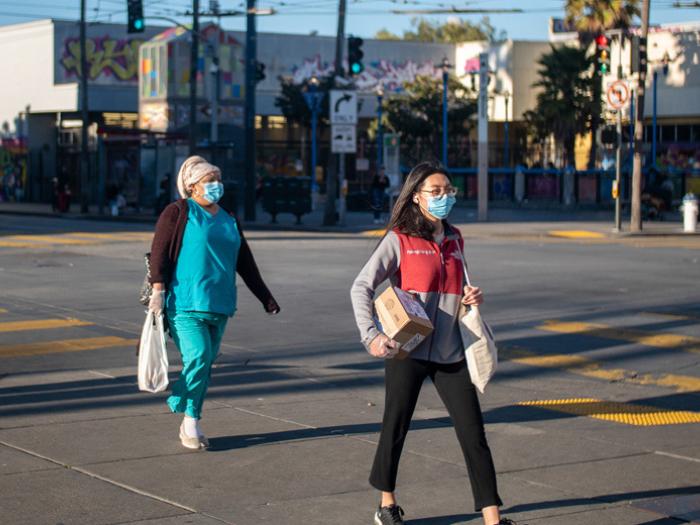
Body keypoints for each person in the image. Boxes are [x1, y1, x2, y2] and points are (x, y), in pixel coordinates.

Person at [350, 161, 516, 525]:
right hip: (406, 348)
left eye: (448, 191)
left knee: (474, 434)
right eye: (436, 191)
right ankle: (387, 505)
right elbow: (361, 286)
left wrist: (470, 297)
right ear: (415, 197)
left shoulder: (455, 238)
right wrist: (372, 336)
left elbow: (457, 285)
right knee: (396, 425)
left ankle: (493, 518)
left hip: (450, 352)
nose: (444, 197)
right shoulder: (399, 239)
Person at [148, 155, 280, 450]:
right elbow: (158, 251)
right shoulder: (178, 212)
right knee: (199, 357)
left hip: (220, 303)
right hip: (184, 303)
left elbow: (245, 261)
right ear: (192, 186)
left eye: (218, 181)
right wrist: (157, 288)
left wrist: (265, 297)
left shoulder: (228, 217)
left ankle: (187, 412)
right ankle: (189, 416)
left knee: (204, 363)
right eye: (210, 181)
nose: (216, 186)